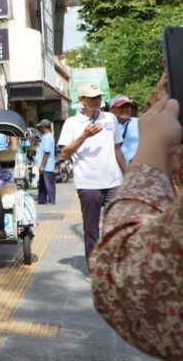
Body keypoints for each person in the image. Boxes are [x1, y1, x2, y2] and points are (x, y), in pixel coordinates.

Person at [90, 94, 183, 359]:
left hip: (138, 181)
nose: (125, 111)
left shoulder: (126, 125)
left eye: (129, 107)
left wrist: (149, 157)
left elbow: (124, 276)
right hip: (140, 181)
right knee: (94, 231)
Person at [58, 83, 127, 267]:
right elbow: (65, 153)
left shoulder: (111, 118)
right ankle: (95, 268)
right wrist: (84, 136)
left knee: (117, 225)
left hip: (114, 182)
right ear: (81, 101)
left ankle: (116, 264)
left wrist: (127, 176)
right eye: (91, 98)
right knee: (91, 229)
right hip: (88, 184)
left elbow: (118, 149)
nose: (96, 101)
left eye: (98, 97)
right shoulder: (72, 123)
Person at [109, 94, 139, 165]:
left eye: (127, 106)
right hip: (113, 172)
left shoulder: (140, 122)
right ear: (111, 110)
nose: (125, 110)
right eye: (121, 107)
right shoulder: (105, 126)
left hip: (136, 171)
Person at [35, 119, 56, 205]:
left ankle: (52, 200)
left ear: (43, 127)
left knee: (49, 184)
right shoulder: (46, 136)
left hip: (47, 166)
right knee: (42, 184)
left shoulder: (48, 137)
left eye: (40, 127)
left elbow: (46, 152)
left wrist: (42, 166)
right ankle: (42, 200)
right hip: (44, 166)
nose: (39, 129)